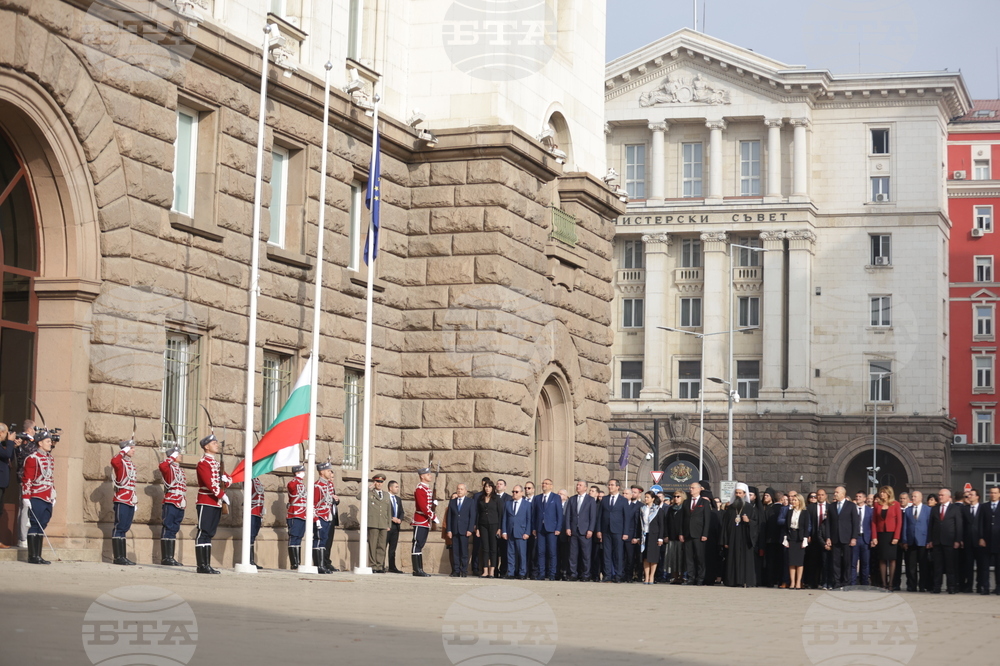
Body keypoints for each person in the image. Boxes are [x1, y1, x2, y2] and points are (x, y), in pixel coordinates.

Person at [195, 434, 230, 574]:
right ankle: (201, 565)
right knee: (203, 532)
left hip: (216, 503)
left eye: (216, 442)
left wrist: (225, 480)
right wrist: (222, 494)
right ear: (206, 446)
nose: (217, 445)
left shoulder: (215, 463)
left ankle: (207, 565)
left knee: (209, 533)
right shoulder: (203, 463)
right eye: (214, 443)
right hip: (206, 501)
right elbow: (209, 483)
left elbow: (229, 479)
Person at [21, 428, 55, 565]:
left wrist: (54, 494)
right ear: (40, 443)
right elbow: (27, 479)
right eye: (47, 441)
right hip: (36, 495)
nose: (50, 443)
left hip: (47, 496)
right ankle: (33, 556)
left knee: (42, 524)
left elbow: (50, 478)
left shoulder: (50, 458)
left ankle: (38, 555)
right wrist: (26, 497)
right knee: (35, 525)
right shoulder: (32, 458)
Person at [721, 483, 759, 587]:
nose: (738, 495)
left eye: (740, 493)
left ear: (744, 494)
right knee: (732, 559)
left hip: (745, 538)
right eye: (736, 493)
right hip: (732, 538)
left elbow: (756, 524)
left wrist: (749, 521)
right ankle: (732, 581)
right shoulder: (731, 508)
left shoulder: (750, 508)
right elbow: (724, 525)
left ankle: (744, 581)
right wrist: (725, 540)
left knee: (745, 559)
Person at [929, 487, 963, 594]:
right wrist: (930, 540)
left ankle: (951, 587)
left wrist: (958, 540)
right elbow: (931, 525)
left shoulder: (955, 509)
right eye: (939, 495)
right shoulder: (935, 508)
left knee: (950, 566)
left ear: (949, 497)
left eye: (942, 495)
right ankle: (937, 587)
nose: (940, 497)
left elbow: (959, 525)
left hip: (950, 541)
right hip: (937, 541)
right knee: (937, 566)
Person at [109, 439, 138, 566]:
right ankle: (118, 557)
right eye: (131, 448)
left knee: (125, 528)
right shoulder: (121, 463)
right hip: (122, 498)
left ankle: (123, 556)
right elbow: (114, 461)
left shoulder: (130, 464)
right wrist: (122, 451)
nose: (133, 450)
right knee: (119, 527)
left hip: (130, 498)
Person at [158, 444, 186, 566]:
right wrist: (171, 458)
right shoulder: (169, 468)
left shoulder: (180, 470)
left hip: (180, 502)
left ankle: (171, 557)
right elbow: (162, 466)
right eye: (178, 454)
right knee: (168, 527)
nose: (180, 455)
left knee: (174, 528)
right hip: (171, 500)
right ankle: (166, 558)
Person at [826, 485, 859, 590]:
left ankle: (846, 582)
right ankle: (836, 582)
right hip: (835, 538)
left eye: (837, 492)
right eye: (835, 492)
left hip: (847, 538)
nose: (834, 494)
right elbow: (828, 523)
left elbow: (855, 522)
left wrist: (854, 537)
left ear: (843, 494)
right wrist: (828, 537)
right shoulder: (831, 506)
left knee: (847, 561)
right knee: (835, 562)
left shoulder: (851, 506)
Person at [870, 485, 902, 591]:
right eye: (881, 492)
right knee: (882, 559)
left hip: (891, 534)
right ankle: (883, 584)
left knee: (892, 559)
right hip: (881, 534)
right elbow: (874, 522)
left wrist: (896, 537)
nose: (882, 494)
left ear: (889, 493)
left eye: (884, 492)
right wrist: (874, 537)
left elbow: (899, 522)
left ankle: (891, 584)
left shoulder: (896, 504)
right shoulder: (877, 505)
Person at [564, 480, 597, 581]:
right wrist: (568, 527)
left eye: (580, 485)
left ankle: (586, 574)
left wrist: (591, 530)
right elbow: (568, 515)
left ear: (585, 488)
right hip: (574, 531)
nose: (577, 486)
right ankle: (573, 574)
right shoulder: (572, 499)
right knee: (573, 555)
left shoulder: (590, 500)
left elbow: (593, 517)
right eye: (577, 485)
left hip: (585, 531)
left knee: (586, 555)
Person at [597, 479, 628, 583]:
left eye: (612, 485)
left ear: (617, 487)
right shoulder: (604, 499)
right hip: (606, 530)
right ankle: (607, 575)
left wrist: (625, 532)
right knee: (606, 553)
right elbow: (600, 516)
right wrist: (599, 530)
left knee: (618, 554)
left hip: (618, 530)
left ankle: (618, 575)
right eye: (609, 485)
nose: (609, 487)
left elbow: (626, 517)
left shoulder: (623, 500)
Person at [531, 478, 562, 581]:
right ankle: (541, 573)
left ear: (551, 486)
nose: (544, 485)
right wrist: (534, 528)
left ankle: (552, 573)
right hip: (540, 528)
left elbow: (559, 514)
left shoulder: (556, 497)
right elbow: (534, 515)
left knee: (552, 552)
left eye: (547, 483)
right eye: (543, 483)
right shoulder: (537, 498)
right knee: (541, 552)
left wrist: (558, 528)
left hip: (552, 528)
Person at [682, 481, 713, 585]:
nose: (691, 489)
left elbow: (707, 519)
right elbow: (683, 519)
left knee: (700, 557)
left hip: (699, 534)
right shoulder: (686, 502)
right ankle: (691, 578)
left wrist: (705, 534)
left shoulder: (704, 502)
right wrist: (681, 533)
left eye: (693, 488)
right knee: (689, 558)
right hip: (687, 533)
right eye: (690, 488)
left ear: (700, 489)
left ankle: (700, 578)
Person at [902, 490, 932, 592]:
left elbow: (930, 526)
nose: (913, 498)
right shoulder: (908, 510)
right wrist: (905, 540)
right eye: (912, 496)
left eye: (915, 496)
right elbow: (905, 526)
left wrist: (929, 541)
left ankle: (923, 585)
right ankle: (912, 586)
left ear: (920, 498)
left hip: (923, 541)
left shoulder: (927, 510)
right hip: (911, 541)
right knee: (911, 566)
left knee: (923, 566)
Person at [502, 485, 532, 579]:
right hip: (510, 532)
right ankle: (511, 572)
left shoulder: (526, 504)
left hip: (521, 532)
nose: (514, 493)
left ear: (521, 493)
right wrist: (504, 531)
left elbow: (529, 519)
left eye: (516, 492)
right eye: (513, 491)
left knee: (521, 554)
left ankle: (522, 573)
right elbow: (505, 518)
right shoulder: (508, 503)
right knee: (510, 553)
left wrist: (527, 532)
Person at [783, 492, 811, 589]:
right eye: (792, 500)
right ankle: (792, 582)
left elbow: (806, 526)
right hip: (792, 536)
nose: (793, 501)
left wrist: (805, 539)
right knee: (791, 561)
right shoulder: (790, 512)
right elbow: (786, 526)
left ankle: (798, 582)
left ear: (799, 501)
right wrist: (785, 538)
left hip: (800, 537)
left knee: (799, 562)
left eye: (795, 500)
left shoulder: (805, 512)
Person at [962, 487, 988, 594]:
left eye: (972, 494)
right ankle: (969, 586)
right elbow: (962, 525)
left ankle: (980, 585)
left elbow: (985, 524)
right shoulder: (965, 509)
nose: (969, 496)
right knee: (968, 565)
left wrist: (983, 538)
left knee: (981, 565)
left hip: (979, 541)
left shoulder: (983, 508)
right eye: (968, 495)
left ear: (977, 496)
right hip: (968, 541)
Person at [446, 482, 476, 577]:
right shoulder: (452, 502)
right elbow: (449, 517)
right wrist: (449, 530)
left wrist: (470, 529)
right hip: (454, 530)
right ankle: (456, 570)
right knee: (455, 552)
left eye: (461, 489)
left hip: (464, 530)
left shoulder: (470, 502)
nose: (459, 490)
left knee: (464, 552)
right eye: (458, 489)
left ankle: (464, 570)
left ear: (465, 491)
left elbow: (472, 516)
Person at [475, 479, 502, 578]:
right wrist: (477, 527)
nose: (487, 488)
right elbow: (478, 513)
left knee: (493, 548)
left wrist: (499, 528)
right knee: (485, 548)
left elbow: (500, 514)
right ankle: (485, 570)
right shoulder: (481, 498)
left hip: (494, 524)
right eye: (486, 486)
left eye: (489, 487)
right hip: (483, 524)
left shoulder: (497, 499)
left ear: (492, 488)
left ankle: (492, 570)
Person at [637, 490, 665, 584]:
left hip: (654, 535)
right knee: (645, 557)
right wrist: (638, 537)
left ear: (653, 499)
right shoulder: (642, 509)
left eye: (648, 497)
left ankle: (652, 576)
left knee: (653, 557)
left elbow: (661, 525)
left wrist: (660, 538)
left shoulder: (658, 510)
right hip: (645, 535)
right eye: (645, 497)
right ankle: (646, 576)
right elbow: (639, 524)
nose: (646, 499)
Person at [313, 462, 336, 574]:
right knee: (319, 540)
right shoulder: (317, 486)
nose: (330, 472)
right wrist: (315, 519)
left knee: (324, 540)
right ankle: (318, 565)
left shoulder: (328, 485)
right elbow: (313, 504)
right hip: (320, 516)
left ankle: (322, 564)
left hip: (327, 516)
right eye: (328, 470)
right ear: (322, 472)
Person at [760, 487, 784, 587]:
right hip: (781, 539)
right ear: (782, 499)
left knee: (770, 562)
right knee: (780, 561)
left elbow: (764, 526)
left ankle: (769, 581)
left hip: (770, 540)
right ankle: (779, 581)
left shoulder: (769, 510)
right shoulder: (784, 510)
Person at [285, 464, 308, 571]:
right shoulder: (293, 483)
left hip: (302, 514)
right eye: (302, 471)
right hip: (294, 513)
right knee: (294, 537)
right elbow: (291, 487)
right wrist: (297, 477)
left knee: (299, 537)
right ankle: (294, 563)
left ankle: (298, 562)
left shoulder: (302, 484)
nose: (304, 473)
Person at [367, 473, 391, 573]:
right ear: (374, 482)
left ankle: (380, 565)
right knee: (373, 545)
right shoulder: (369, 493)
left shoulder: (386, 494)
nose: (379, 484)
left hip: (383, 523)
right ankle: (373, 565)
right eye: (377, 482)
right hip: (373, 523)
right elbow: (359, 497)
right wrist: (368, 488)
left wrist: (389, 524)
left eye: (381, 482)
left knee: (382, 545)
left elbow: (389, 510)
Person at [852, 491, 873, 586]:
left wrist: (873, 538)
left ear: (865, 499)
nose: (858, 498)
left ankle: (864, 582)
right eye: (856, 496)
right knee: (853, 562)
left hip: (866, 539)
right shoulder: (852, 509)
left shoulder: (870, 511)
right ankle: (852, 582)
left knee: (865, 563)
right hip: (855, 538)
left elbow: (872, 526)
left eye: (860, 496)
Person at [665, 490, 686, 584]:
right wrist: (666, 535)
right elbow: (666, 522)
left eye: (678, 496)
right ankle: (675, 576)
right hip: (671, 536)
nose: (676, 498)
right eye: (674, 496)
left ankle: (681, 576)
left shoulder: (685, 508)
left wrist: (683, 533)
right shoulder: (670, 509)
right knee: (672, 557)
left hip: (681, 537)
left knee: (681, 557)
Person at [623, 485, 643, 583]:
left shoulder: (640, 506)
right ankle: (626, 576)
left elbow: (638, 523)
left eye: (635, 492)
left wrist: (636, 536)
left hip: (634, 536)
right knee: (627, 557)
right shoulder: (625, 504)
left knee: (636, 558)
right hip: (625, 535)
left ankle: (637, 576)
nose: (633, 494)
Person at [0, 424, 15, 548]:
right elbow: (5, 455)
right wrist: (10, 442)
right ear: (1, 433)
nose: (7, 435)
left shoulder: (3, 445)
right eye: (6, 433)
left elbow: (9, 456)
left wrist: (13, 446)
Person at [984, 485, 1000, 594]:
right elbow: (980, 523)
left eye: (995, 493)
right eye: (991, 492)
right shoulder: (984, 507)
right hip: (986, 540)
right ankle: (985, 587)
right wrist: (981, 537)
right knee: (984, 566)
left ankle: (998, 587)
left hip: (998, 541)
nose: (993, 495)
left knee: (998, 566)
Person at [386, 479, 403, 573]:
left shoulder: (398, 499)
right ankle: (380, 565)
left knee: (393, 548)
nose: (397, 488)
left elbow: (401, 511)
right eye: (396, 487)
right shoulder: (385, 497)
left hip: (396, 527)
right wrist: (392, 518)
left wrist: (400, 519)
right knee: (383, 546)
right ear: (390, 488)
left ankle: (392, 566)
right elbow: (384, 511)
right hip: (387, 525)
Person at [248, 476, 264, 570]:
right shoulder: (249, 480)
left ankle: (251, 560)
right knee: (249, 536)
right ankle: (249, 560)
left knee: (253, 536)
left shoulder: (257, 480)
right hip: (251, 511)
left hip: (258, 512)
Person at [524, 481, 537, 578]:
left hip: (534, 531)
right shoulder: (522, 500)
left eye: (529, 488)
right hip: (523, 531)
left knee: (533, 553)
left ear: (533, 489)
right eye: (525, 488)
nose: (526, 490)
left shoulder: (537, 500)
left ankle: (533, 572)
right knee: (524, 553)